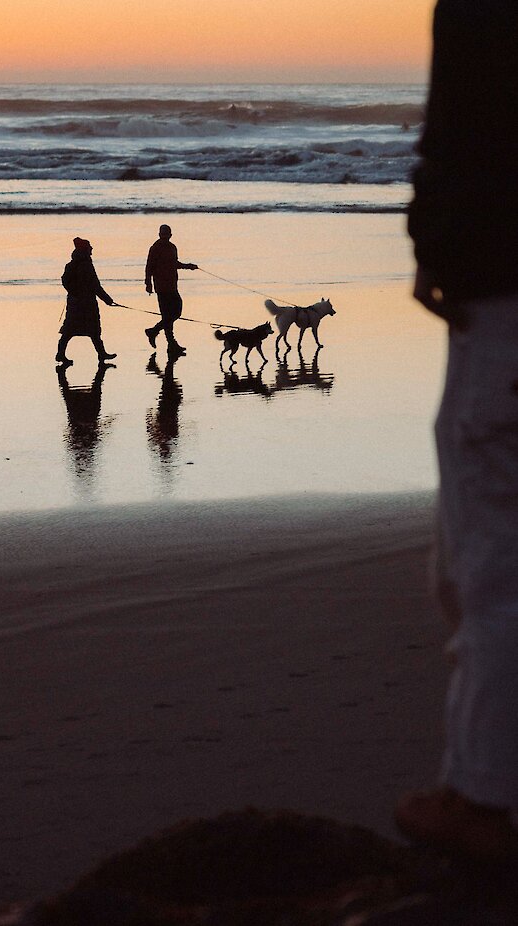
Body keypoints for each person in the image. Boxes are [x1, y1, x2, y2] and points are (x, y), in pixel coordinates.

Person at [395, 0, 518, 860]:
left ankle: (482, 795)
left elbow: (469, 133)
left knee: (490, 559)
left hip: (502, 294)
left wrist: (437, 244)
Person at [56, 238, 117, 366]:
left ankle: (61, 354)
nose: (92, 249)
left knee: (70, 330)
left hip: (74, 302)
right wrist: (107, 299)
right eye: (89, 247)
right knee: (93, 330)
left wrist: (73, 293)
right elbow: (95, 285)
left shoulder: (71, 264)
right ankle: (101, 354)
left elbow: (65, 281)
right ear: (85, 249)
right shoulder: (86, 265)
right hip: (86, 303)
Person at [144, 224, 198, 357]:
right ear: (159, 235)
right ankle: (171, 344)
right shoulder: (155, 248)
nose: (165, 236)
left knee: (175, 313)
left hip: (172, 285)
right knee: (168, 316)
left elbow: (175, 264)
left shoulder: (172, 247)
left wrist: (188, 266)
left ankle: (154, 332)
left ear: (170, 235)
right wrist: (148, 283)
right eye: (163, 234)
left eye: (167, 234)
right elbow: (149, 266)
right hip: (161, 287)